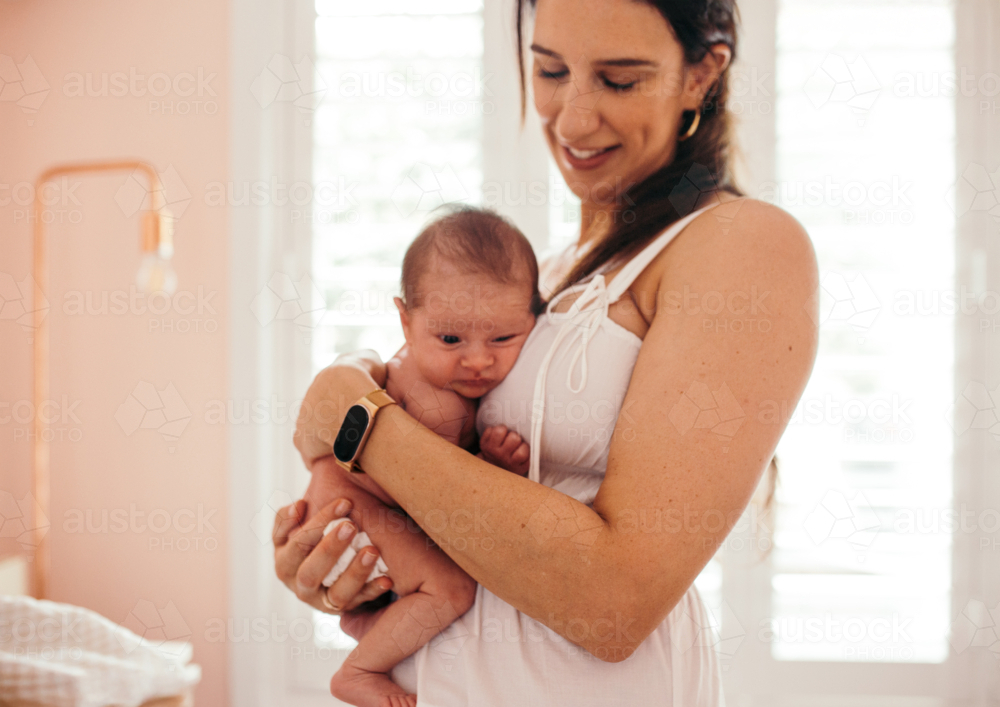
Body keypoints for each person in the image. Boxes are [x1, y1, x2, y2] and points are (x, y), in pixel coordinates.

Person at [275, 0, 819, 703]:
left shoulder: (743, 245)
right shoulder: (547, 277)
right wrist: (348, 560)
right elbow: (470, 516)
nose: (572, 118)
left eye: (619, 80)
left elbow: (615, 599)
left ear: (701, 75)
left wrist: (360, 423)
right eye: (551, 70)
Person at [298, 207, 541, 706]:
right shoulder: (401, 381)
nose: (477, 359)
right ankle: (359, 672)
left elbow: (447, 488)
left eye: (502, 338)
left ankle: (366, 623)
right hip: (348, 503)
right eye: (450, 338)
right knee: (450, 591)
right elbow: (415, 484)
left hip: (376, 515)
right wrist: (487, 469)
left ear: (533, 319)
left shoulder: (461, 389)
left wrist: (489, 466)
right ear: (406, 322)